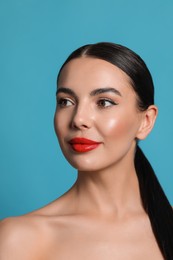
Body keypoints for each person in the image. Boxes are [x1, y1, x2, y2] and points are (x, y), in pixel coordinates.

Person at [0, 42, 173, 260]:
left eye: (104, 102)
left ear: (145, 121)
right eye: (66, 101)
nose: (79, 119)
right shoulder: (18, 239)